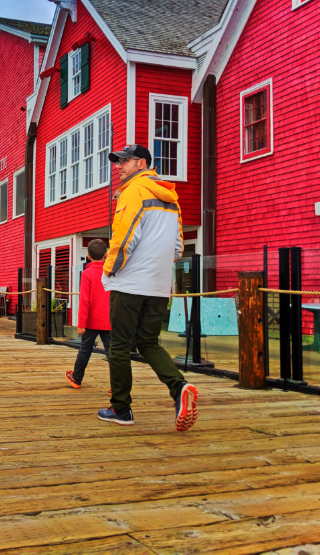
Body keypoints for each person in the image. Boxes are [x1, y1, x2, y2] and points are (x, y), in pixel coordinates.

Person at [98, 144, 198, 431]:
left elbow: (124, 237)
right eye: (117, 162)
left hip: (129, 282)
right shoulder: (171, 198)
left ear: (141, 164)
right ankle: (179, 388)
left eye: (124, 162)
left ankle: (122, 410)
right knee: (148, 343)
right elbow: (178, 246)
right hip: (158, 284)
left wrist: (110, 272)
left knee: (118, 345)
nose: (118, 166)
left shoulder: (133, 191)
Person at [65, 238, 111, 389]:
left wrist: (81, 323)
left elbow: (84, 300)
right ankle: (117, 387)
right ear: (105, 254)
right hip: (109, 320)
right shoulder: (111, 272)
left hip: (91, 320)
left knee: (85, 349)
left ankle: (76, 379)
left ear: (89, 256)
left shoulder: (87, 273)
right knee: (112, 354)